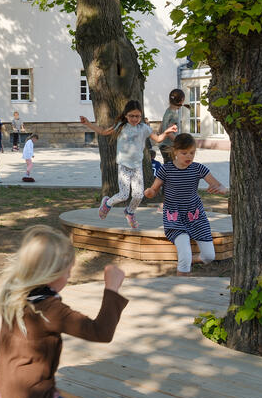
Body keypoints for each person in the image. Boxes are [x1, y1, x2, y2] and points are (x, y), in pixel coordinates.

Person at [0, 225, 127, 398]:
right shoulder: (48, 309)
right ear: (51, 273)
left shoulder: (15, 295)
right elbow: (100, 331)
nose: (69, 277)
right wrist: (112, 289)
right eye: (67, 272)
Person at [80, 101, 177, 229]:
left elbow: (158, 139)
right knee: (124, 194)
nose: (135, 119)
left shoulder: (144, 128)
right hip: (124, 166)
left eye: (137, 116)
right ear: (126, 115)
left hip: (137, 167)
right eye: (131, 116)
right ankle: (107, 203)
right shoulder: (121, 126)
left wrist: (167, 131)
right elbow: (103, 132)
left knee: (138, 195)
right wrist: (88, 124)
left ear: (141, 116)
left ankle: (129, 212)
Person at [143, 132, 228, 275]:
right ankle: (183, 274)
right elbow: (154, 189)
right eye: (184, 153)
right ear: (175, 151)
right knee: (184, 256)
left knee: (209, 256)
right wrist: (149, 193)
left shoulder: (198, 168)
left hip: (195, 216)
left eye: (192, 153)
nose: (189, 156)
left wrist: (221, 189)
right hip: (175, 217)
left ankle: (188, 260)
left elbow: (221, 186)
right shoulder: (166, 169)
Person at [159, 89, 189, 163]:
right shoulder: (174, 115)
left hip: (162, 145)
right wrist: (180, 143)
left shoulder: (168, 111)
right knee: (172, 169)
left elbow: (161, 128)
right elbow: (169, 132)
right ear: (182, 100)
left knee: (167, 168)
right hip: (169, 146)